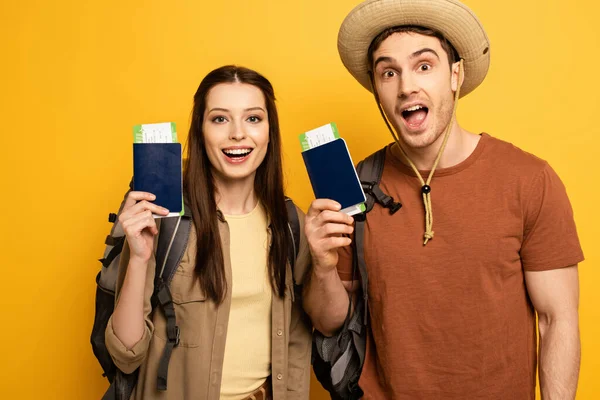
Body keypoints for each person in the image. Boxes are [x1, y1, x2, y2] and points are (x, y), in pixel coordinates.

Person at [303, 0, 584, 399]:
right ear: (377, 90)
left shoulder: (529, 180)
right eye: (388, 72)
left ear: (455, 74)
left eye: (423, 66)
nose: (406, 86)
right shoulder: (356, 185)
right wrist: (321, 266)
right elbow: (330, 321)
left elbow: (557, 320)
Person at [105, 65, 312, 400]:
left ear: (270, 132)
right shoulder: (162, 218)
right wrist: (140, 257)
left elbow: (299, 338)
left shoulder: (292, 223)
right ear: (200, 131)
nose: (237, 134)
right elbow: (126, 354)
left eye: (253, 118)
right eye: (219, 119)